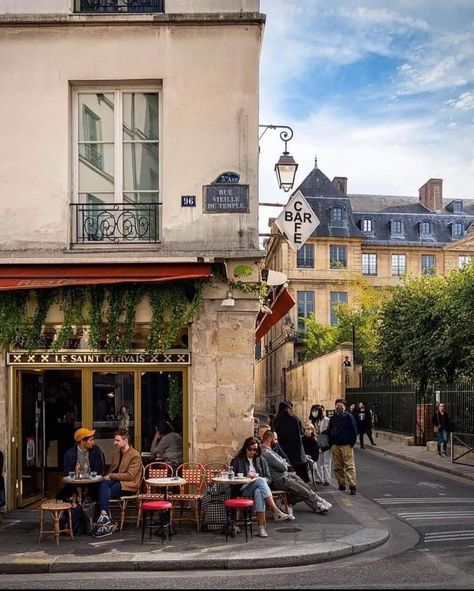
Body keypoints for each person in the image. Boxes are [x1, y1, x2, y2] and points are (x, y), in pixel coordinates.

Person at [261, 430, 331, 519]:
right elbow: (283, 466)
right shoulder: (267, 453)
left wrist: (283, 463)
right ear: (270, 439)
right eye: (275, 439)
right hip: (280, 479)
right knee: (304, 491)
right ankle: (316, 501)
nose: (277, 441)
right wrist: (284, 464)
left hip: (284, 476)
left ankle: (316, 503)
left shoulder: (269, 451)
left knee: (305, 487)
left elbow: (283, 461)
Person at [230, 436, 289, 538]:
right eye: (250, 449)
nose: (253, 452)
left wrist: (261, 480)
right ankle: (275, 510)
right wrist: (246, 477)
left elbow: (269, 477)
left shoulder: (260, 459)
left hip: (258, 487)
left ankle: (262, 528)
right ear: (245, 448)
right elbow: (233, 478)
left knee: (259, 491)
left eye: (255, 450)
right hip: (242, 488)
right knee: (260, 481)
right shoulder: (237, 460)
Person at [94, 429, 142, 537]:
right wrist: (108, 476)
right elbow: (111, 470)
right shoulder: (116, 454)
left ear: (125, 440)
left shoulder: (135, 455)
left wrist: (111, 476)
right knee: (103, 485)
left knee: (105, 492)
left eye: (117, 440)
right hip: (115, 481)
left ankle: (105, 518)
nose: (114, 443)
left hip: (127, 485)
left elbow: (130, 476)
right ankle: (104, 515)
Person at [272, 400, 309, 483]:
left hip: (282, 449)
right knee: (299, 476)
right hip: (296, 450)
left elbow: (273, 432)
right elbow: (302, 432)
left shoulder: (276, 419)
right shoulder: (295, 419)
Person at [328, 399, 358, 495]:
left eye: (340, 405)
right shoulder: (333, 418)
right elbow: (330, 430)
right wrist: (331, 443)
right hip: (335, 445)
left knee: (349, 466)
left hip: (346, 445)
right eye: (337, 405)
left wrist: (351, 443)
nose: (339, 407)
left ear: (344, 407)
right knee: (338, 466)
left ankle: (352, 485)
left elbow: (354, 430)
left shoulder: (349, 417)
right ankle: (341, 484)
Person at [310, 406, 332, 486]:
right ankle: (319, 478)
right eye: (313, 411)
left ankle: (327, 479)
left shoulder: (327, 420)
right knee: (318, 461)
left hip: (325, 442)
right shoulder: (312, 421)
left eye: (315, 411)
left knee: (326, 462)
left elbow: (330, 431)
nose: (314, 412)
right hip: (316, 442)